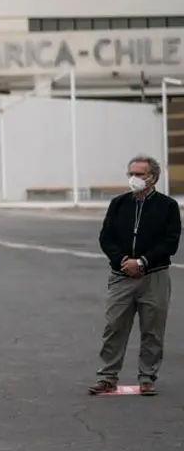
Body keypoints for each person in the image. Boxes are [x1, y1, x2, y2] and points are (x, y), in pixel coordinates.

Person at [90, 155, 181, 396]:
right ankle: (107, 376)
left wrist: (142, 261)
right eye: (131, 174)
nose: (134, 179)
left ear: (153, 177)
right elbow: (106, 238)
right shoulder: (119, 204)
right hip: (121, 276)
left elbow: (170, 242)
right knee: (114, 326)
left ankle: (147, 377)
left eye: (140, 174)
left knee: (152, 329)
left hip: (154, 276)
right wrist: (123, 261)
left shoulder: (167, 206)